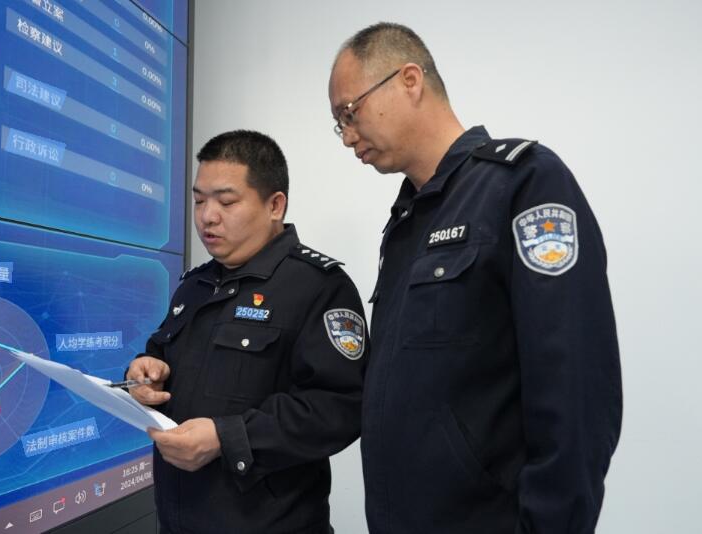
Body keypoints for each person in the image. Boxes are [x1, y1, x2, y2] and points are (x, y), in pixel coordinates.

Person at [327, 22, 622, 534]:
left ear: (409, 80)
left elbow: (576, 393)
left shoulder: (524, 183)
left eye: (350, 112)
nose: (348, 135)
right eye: (339, 124)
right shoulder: (405, 222)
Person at [126, 130, 366, 534]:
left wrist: (227, 438)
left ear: (275, 205)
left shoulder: (319, 287)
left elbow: (340, 407)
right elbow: (160, 353)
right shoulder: (194, 285)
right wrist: (146, 370)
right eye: (199, 201)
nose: (207, 216)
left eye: (226, 201)